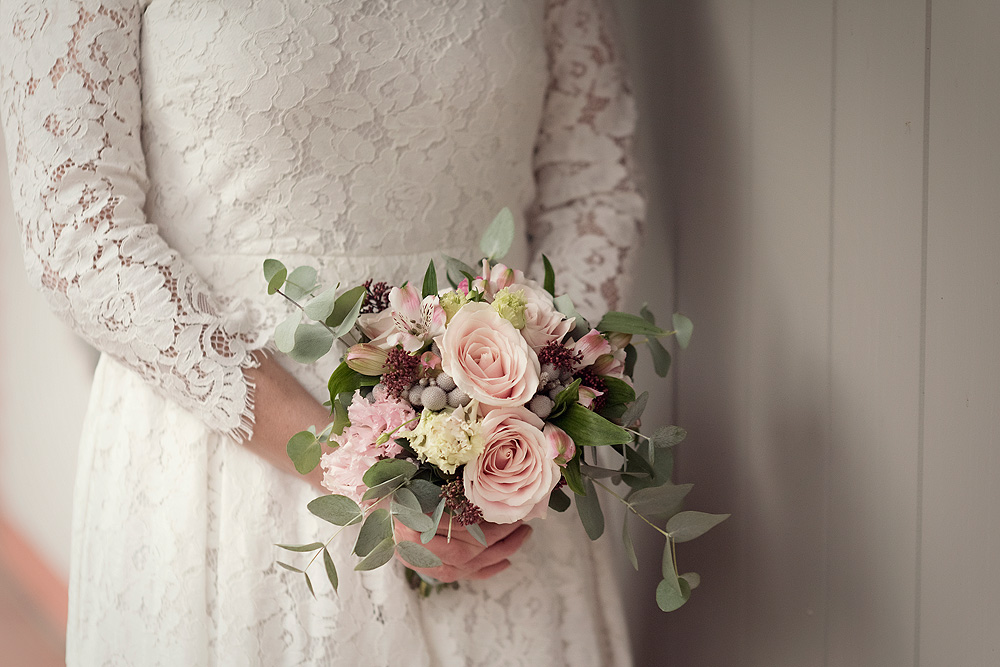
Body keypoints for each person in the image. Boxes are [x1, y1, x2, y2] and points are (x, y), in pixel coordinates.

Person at [0, 1, 644, 664]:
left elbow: (593, 187)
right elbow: (77, 231)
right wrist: (361, 477)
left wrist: (535, 410)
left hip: (493, 487)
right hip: (232, 462)